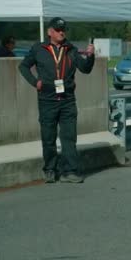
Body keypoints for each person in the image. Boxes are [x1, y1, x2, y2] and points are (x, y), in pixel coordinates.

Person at [19, 17, 95, 183]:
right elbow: (23, 66)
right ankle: (50, 169)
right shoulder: (39, 49)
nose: (62, 32)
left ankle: (70, 171)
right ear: (50, 32)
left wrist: (90, 56)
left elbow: (85, 69)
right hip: (47, 99)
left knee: (69, 137)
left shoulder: (71, 49)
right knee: (48, 137)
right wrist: (35, 82)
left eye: (63, 30)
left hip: (67, 99)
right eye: (58, 30)